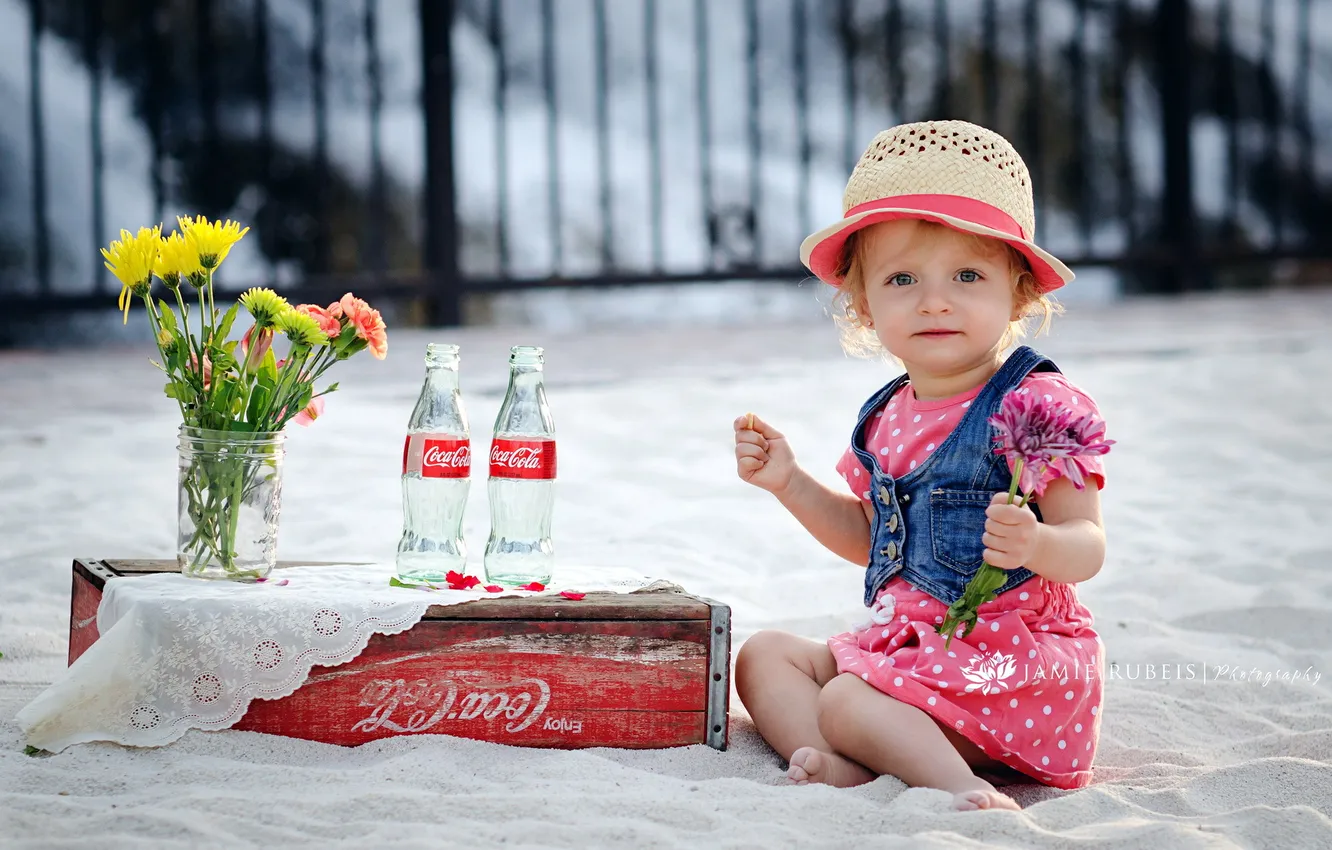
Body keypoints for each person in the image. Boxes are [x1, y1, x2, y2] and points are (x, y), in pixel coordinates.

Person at [732, 120, 1109, 811]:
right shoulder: (887, 415)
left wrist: (1038, 544)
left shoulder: (1037, 403)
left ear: (1019, 291)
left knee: (847, 700)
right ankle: (862, 767)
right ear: (864, 304)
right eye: (902, 278)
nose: (935, 300)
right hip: (908, 650)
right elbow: (872, 538)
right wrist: (788, 481)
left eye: (968, 275)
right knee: (763, 658)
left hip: (1006, 667)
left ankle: (960, 786)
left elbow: (1087, 545)